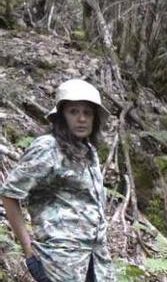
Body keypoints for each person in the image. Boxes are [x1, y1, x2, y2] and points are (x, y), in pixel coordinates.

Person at [1, 79, 115, 282]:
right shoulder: (48, 148)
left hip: (95, 260)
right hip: (60, 261)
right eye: (73, 112)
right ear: (61, 115)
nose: (81, 119)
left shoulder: (89, 152)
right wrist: (28, 251)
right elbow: (10, 194)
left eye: (87, 113)